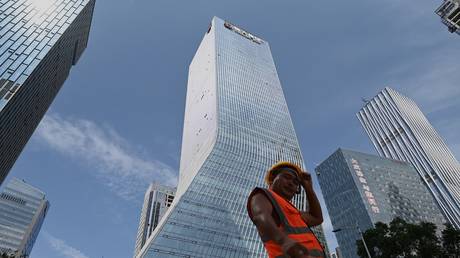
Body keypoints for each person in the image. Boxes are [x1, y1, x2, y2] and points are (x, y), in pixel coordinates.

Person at [247, 161, 325, 258]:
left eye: (296, 182)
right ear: (272, 179)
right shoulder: (263, 195)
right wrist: (284, 241)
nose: (291, 183)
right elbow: (260, 217)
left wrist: (308, 187)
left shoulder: (294, 212)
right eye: (287, 177)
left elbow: (316, 218)